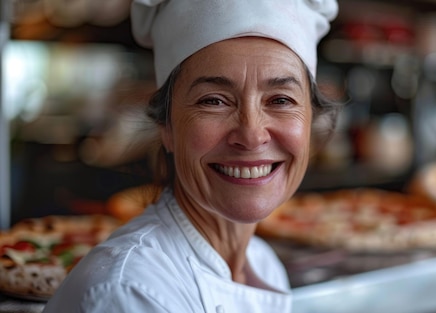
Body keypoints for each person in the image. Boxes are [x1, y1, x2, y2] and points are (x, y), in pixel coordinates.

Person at [42, 0, 340, 312]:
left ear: (310, 120)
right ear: (166, 126)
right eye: (214, 101)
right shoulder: (130, 292)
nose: (252, 135)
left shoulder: (262, 263)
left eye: (280, 100)